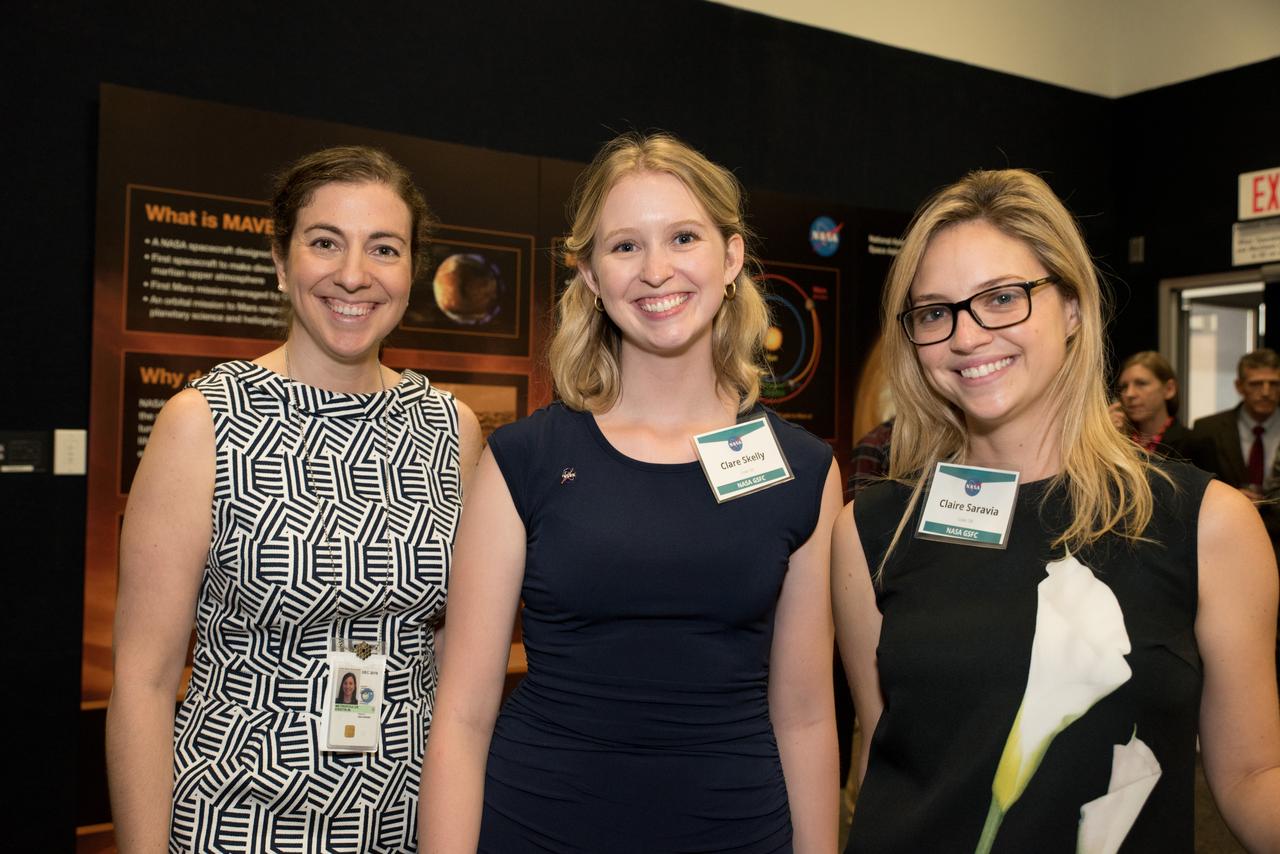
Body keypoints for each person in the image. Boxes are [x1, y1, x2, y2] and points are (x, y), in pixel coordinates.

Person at [832, 169, 1280, 853]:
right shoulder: (871, 529)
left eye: (1003, 298)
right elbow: (888, 760)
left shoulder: (1207, 526)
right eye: (934, 311)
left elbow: (1253, 775)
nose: (968, 336)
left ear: (1073, 307)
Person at [422, 132, 842, 852]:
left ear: (732, 256)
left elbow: (805, 713)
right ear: (588, 272)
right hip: (539, 827)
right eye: (624, 247)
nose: (657, 271)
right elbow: (461, 715)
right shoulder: (525, 460)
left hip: (736, 832)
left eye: (683, 237)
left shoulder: (801, 469)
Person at [107, 146, 483, 852]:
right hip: (240, 817)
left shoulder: (449, 429)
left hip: (406, 819)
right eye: (324, 243)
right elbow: (144, 681)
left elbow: (449, 655)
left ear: (411, 272)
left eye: (384, 249)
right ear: (281, 264)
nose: (353, 275)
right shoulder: (206, 420)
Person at [1192, 347, 1280, 499]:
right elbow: (1193, 488)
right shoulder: (1207, 431)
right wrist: (1229, 498)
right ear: (1239, 386)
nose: (1266, 392)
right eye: (1256, 384)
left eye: (1273, 384)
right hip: (1225, 517)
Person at [1109, 350, 1214, 468]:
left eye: (1141, 383)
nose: (1129, 394)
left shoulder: (1194, 444)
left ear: (1169, 389)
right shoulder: (1118, 441)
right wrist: (1108, 437)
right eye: (1124, 387)